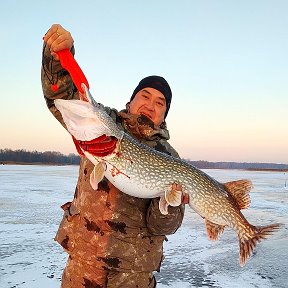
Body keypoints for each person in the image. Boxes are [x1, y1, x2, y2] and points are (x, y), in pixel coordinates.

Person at [42, 24, 186, 288]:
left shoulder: (169, 157)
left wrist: (171, 204)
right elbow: (63, 95)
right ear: (130, 101)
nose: (150, 105)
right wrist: (60, 54)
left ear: (164, 115)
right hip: (83, 267)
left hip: (132, 277)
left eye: (160, 102)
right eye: (145, 95)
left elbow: (163, 226)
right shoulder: (100, 124)